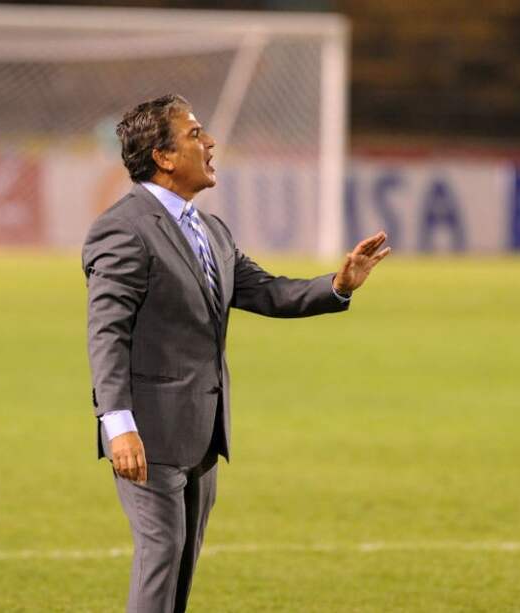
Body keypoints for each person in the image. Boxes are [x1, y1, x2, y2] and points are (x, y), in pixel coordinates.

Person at [82, 94, 390, 613]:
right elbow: (106, 332)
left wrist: (337, 285)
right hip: (148, 435)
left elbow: (267, 292)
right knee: (161, 554)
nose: (210, 142)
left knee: (181, 565)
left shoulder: (210, 231)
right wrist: (117, 424)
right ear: (163, 156)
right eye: (194, 133)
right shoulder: (123, 228)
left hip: (203, 433)